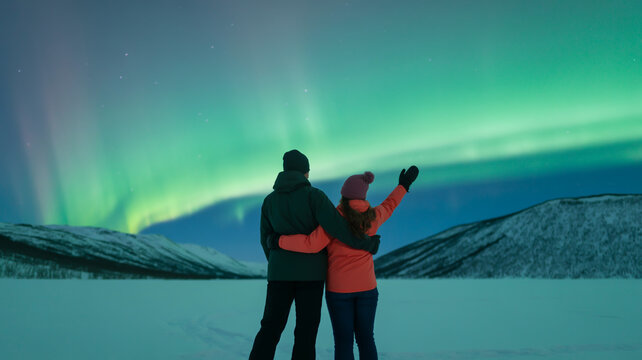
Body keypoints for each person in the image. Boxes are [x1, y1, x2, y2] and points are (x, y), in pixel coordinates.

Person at [270, 166, 419, 360]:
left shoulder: (333, 219)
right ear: (363, 196)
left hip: (339, 291)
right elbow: (390, 205)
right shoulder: (373, 217)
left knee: (343, 341)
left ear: (344, 195)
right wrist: (403, 186)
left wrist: (279, 240)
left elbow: (310, 244)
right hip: (367, 289)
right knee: (366, 339)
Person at [249, 150, 381, 360]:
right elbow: (340, 228)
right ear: (306, 172)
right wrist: (367, 244)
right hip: (311, 277)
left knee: (270, 328)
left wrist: (278, 263)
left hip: (278, 276)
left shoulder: (269, 201)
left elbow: (265, 239)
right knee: (305, 333)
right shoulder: (314, 197)